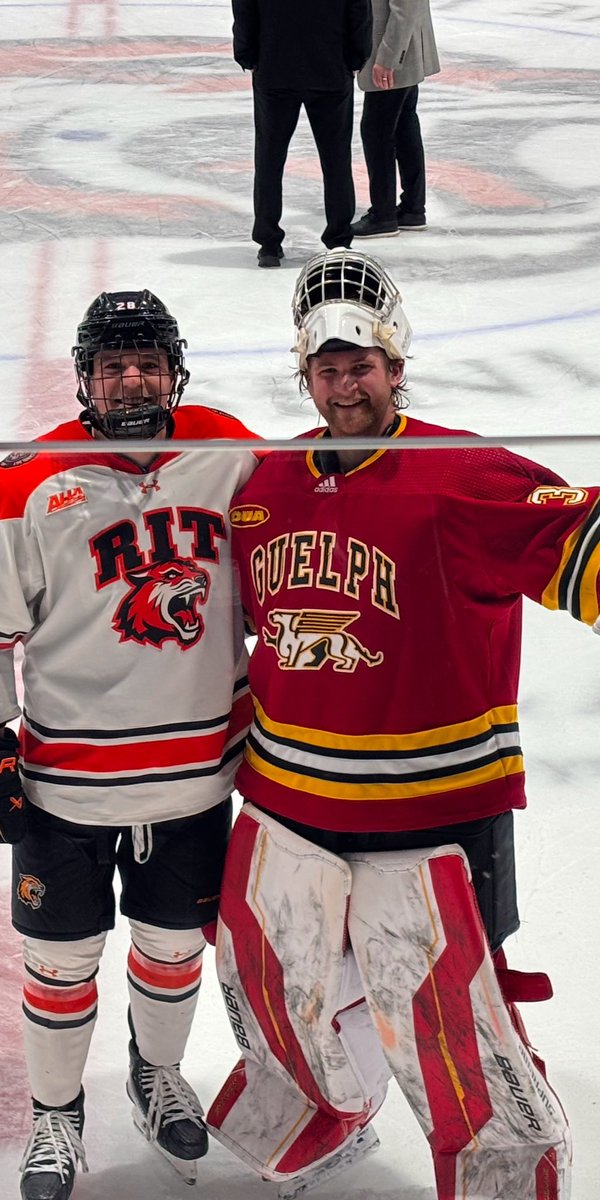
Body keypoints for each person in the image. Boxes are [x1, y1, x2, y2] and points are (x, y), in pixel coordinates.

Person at [206, 249, 590, 1199]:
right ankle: (318, 1109)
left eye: (361, 365)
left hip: (432, 801)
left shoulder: (459, 472)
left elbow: (577, 540)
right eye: (327, 369)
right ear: (307, 376)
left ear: (396, 365)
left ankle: (508, 1160)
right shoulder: (265, 486)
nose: (345, 385)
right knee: (276, 974)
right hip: (288, 793)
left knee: (447, 996)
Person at [0, 289, 259, 1200]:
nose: (131, 380)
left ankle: (158, 1076)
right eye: (112, 365)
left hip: (198, 775)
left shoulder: (229, 452)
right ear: (83, 377)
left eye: (148, 362)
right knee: (62, 958)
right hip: (66, 785)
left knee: (171, 946)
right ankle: (55, 1113)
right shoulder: (28, 482)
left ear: (176, 370)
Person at [231, 0, 373, 268]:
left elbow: (244, 10)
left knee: (269, 159)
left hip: (275, 68)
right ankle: (339, 239)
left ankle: (269, 243)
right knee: (336, 160)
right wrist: (355, 57)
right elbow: (359, 12)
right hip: (329, 68)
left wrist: (248, 55)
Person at [351, 0, 440, 238]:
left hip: (395, 53)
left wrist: (387, 58)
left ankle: (383, 215)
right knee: (403, 126)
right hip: (404, 50)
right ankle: (412, 209)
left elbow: (405, 8)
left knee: (376, 130)